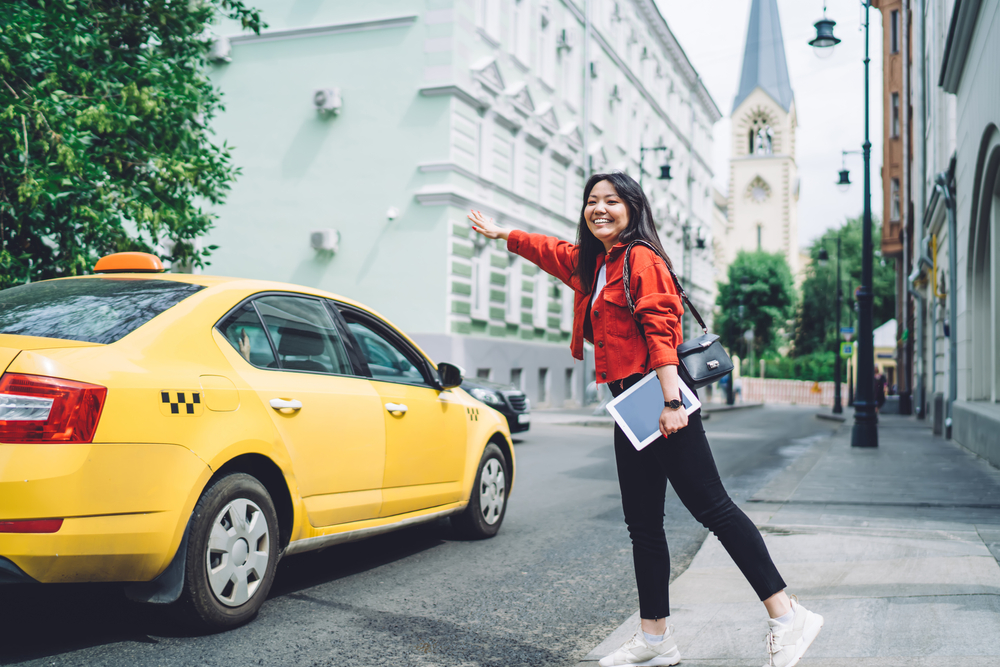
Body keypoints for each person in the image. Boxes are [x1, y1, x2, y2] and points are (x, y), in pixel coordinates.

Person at [468, 172, 823, 667]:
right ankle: (656, 639)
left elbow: (661, 328)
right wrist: (503, 234)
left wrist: (673, 403)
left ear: (633, 207)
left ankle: (787, 616)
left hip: (660, 401)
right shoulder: (597, 265)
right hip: (630, 408)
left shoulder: (641, 258)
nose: (600, 209)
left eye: (611, 200)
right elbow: (551, 252)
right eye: (592, 201)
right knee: (643, 524)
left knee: (713, 510)